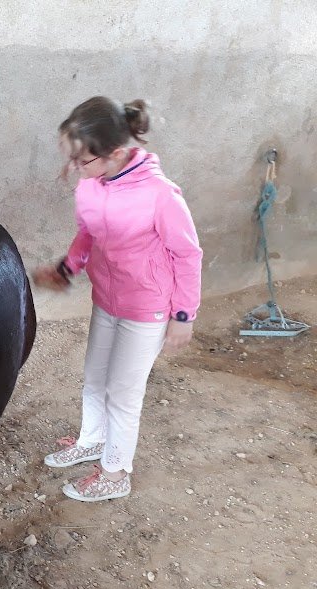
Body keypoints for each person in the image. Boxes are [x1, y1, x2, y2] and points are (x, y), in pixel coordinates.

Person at [34, 96, 202, 501]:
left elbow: (187, 254)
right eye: (72, 158)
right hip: (107, 300)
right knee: (95, 378)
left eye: (82, 159)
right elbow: (88, 233)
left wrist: (184, 315)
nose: (75, 167)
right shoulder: (92, 184)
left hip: (147, 308)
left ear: (114, 153)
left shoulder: (160, 195)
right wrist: (67, 268)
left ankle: (115, 473)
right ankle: (92, 439)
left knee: (123, 394)